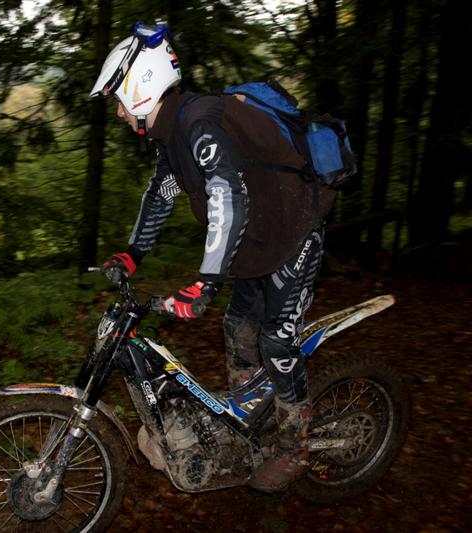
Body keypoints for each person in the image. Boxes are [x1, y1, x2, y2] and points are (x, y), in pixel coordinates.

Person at [90, 23, 337, 492]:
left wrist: (205, 282)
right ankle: (253, 421)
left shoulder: (199, 124)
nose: (118, 112)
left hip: (293, 234)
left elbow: (227, 196)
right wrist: (133, 253)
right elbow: (161, 194)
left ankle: (296, 447)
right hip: (257, 243)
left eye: (119, 99)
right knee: (239, 328)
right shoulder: (171, 135)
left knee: (278, 344)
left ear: (142, 88)